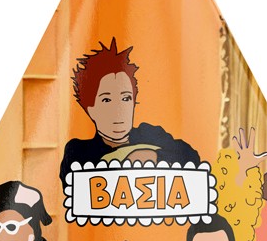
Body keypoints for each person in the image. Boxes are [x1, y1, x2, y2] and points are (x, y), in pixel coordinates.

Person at [59, 38, 200, 187]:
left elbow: (191, 157)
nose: (118, 109)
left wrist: (152, 156)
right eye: (107, 100)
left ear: (133, 103)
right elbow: (70, 184)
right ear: (90, 109)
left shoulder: (151, 134)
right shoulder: (78, 151)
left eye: (126, 98)